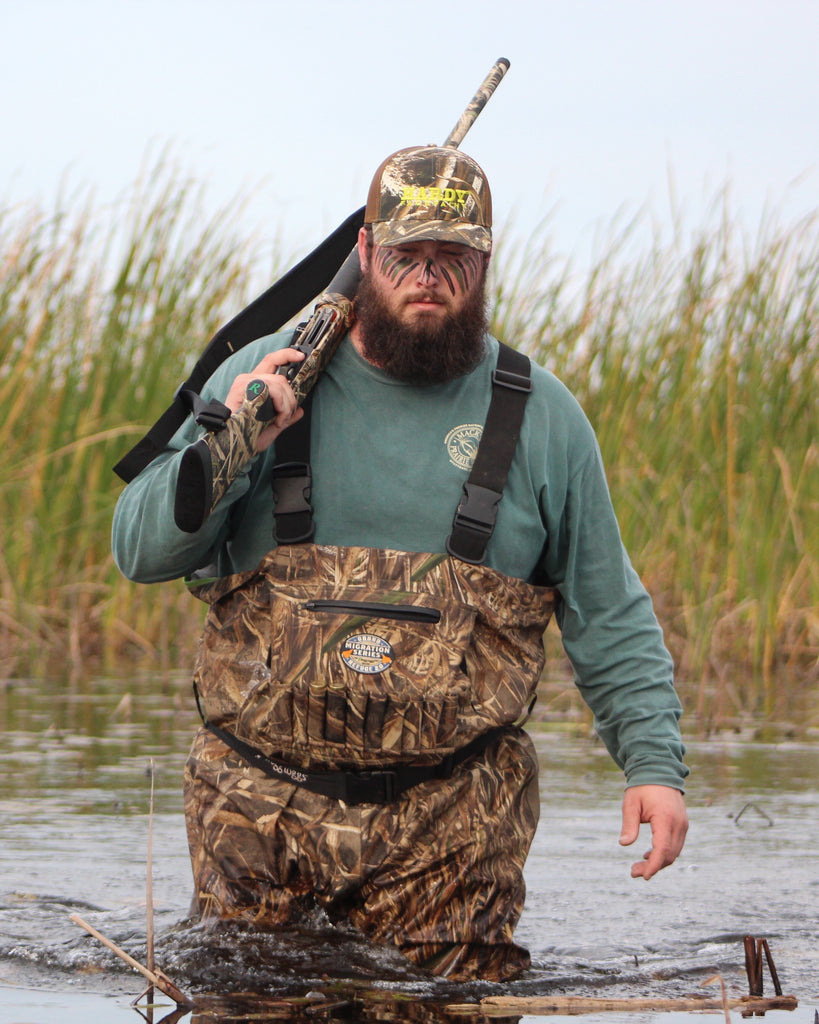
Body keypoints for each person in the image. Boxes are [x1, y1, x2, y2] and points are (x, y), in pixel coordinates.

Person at [112, 145, 688, 982]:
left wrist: (654, 769)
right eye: (406, 255)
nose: (428, 277)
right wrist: (229, 443)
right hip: (256, 818)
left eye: (452, 257)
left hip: (455, 832)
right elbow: (138, 550)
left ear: (484, 262)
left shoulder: (543, 418)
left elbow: (608, 611)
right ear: (365, 255)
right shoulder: (264, 377)